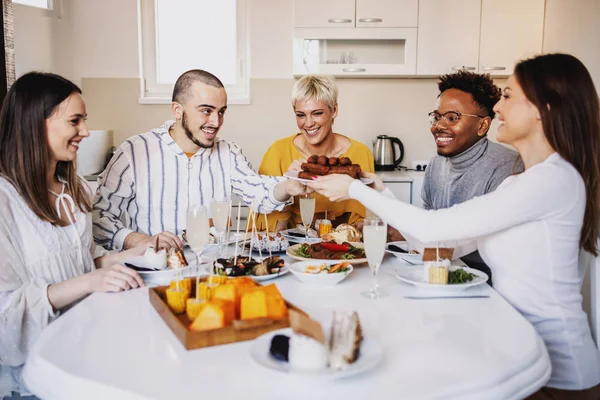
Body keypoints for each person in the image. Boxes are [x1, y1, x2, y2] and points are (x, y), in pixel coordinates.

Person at [309, 53, 600, 397]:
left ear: (542, 109)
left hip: (558, 378)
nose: (499, 110)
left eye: (507, 97)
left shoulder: (553, 181)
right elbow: (444, 243)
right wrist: (381, 191)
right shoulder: (522, 182)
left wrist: (354, 190)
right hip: (518, 353)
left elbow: (437, 230)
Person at [0, 72, 146, 398]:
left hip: (83, 343)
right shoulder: (5, 201)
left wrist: (131, 255)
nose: (85, 131)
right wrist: (92, 281)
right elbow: (6, 310)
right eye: (74, 121)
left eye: (85, 120)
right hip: (36, 370)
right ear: (35, 124)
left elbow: (81, 261)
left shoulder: (74, 189)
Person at [93, 69, 309, 251]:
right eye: (206, 111)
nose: (216, 122)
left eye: (221, 112)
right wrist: (137, 240)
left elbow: (258, 192)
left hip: (213, 269)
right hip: (154, 272)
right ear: (178, 110)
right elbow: (98, 217)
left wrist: (288, 185)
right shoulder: (134, 152)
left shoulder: (229, 153)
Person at [422, 71, 522, 284]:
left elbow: (480, 238)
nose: (438, 126)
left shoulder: (507, 167)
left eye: (452, 118)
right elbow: (430, 228)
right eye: (437, 117)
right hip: (442, 275)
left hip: (489, 285)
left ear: (483, 125)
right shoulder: (434, 166)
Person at [255, 74, 374, 232]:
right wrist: (286, 192)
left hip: (344, 251)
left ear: (334, 110)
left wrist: (365, 226)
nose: (309, 123)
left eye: (317, 113)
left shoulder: (360, 153)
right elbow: (265, 236)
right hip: (289, 251)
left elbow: (365, 223)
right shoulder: (278, 153)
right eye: (301, 115)